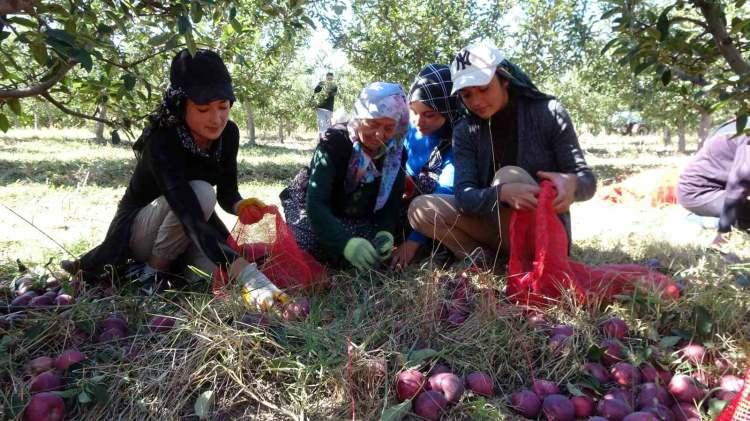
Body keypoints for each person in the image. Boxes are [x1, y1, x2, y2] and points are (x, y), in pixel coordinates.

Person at [60, 49, 287, 307]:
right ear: (181, 106)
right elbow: (187, 208)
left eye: (223, 107)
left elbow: (226, 193)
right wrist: (248, 273)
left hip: (187, 230)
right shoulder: (163, 140)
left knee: (215, 277)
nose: (216, 119)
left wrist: (239, 206)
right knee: (202, 193)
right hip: (142, 231)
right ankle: (152, 274)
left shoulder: (229, 134)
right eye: (203, 109)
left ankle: (157, 271)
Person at [408, 43, 596, 269]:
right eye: (467, 95)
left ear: (504, 79)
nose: (476, 101)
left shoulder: (549, 112)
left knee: (509, 174)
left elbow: (588, 181)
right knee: (420, 208)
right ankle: (485, 260)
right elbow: (465, 194)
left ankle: (531, 263)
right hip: (493, 223)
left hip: (542, 233)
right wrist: (502, 194)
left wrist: (573, 184)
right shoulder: (465, 130)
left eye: (484, 88)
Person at [281, 82, 409, 270]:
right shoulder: (334, 143)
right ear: (359, 117)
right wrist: (346, 243)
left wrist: (385, 231)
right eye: (372, 123)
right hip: (311, 203)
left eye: (389, 128)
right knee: (307, 244)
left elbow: (391, 201)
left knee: (387, 237)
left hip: (356, 209)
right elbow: (316, 204)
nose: (379, 134)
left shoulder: (395, 154)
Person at [391, 63, 459, 269]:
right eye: (414, 111)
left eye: (429, 114)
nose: (419, 122)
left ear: (448, 110)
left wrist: (413, 242)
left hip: (430, 216)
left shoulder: (458, 141)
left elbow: (444, 193)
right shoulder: (406, 128)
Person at [677, 120, 750, 249]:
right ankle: (706, 220)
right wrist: (723, 233)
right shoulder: (747, 134)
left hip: (723, 187)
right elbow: (738, 185)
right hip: (699, 192)